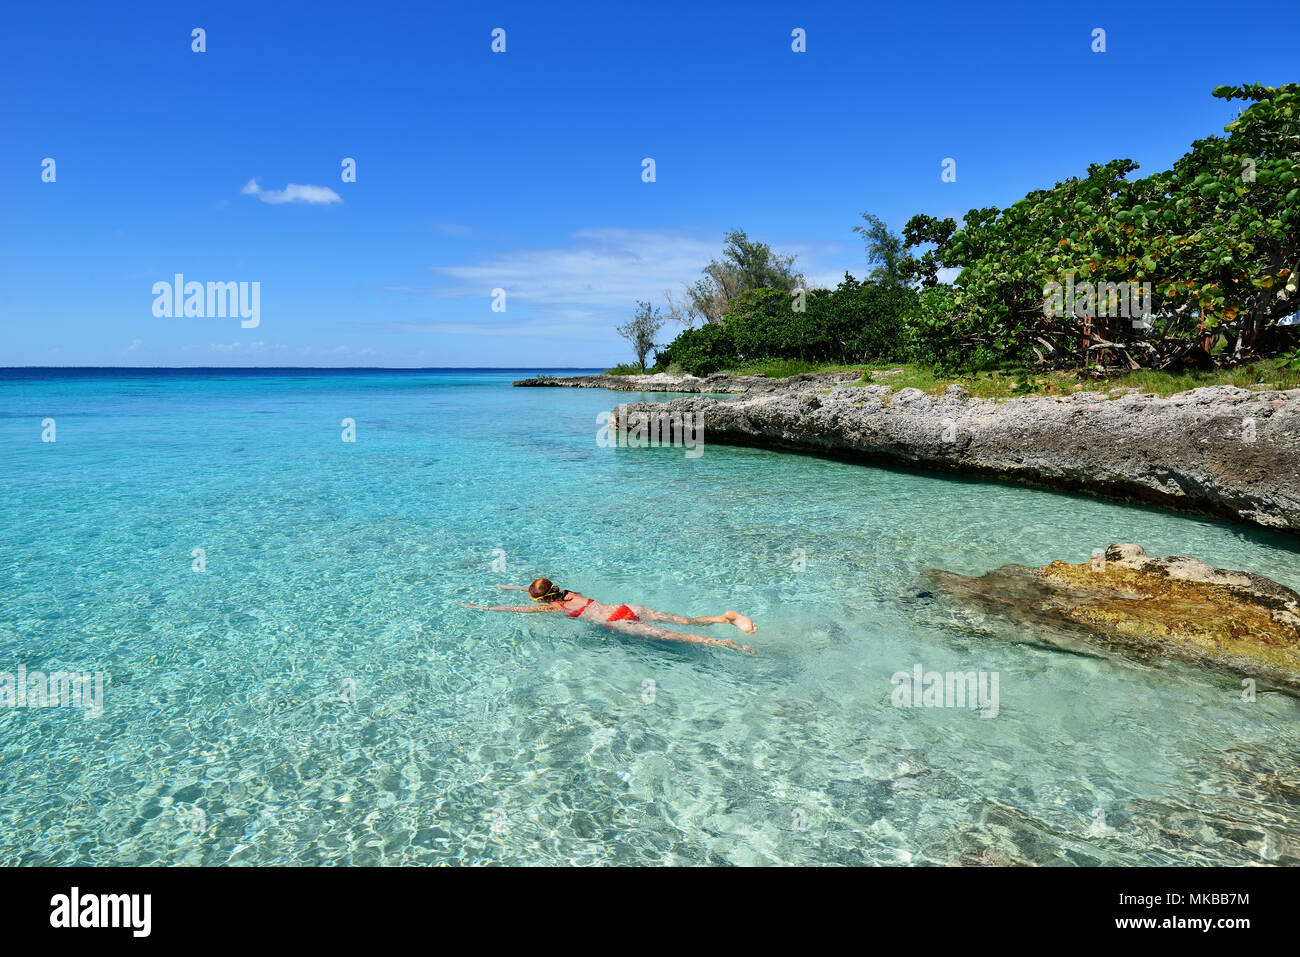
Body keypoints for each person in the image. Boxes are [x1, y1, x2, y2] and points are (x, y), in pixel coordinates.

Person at [460, 578, 757, 654]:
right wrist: (510, 585)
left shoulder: (554, 607)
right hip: (627, 608)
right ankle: (723, 618)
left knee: (683, 638)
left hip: (620, 623)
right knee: (685, 622)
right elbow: (536, 590)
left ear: (543, 599)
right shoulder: (568, 594)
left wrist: (483, 608)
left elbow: (519, 609)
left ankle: (730, 646)